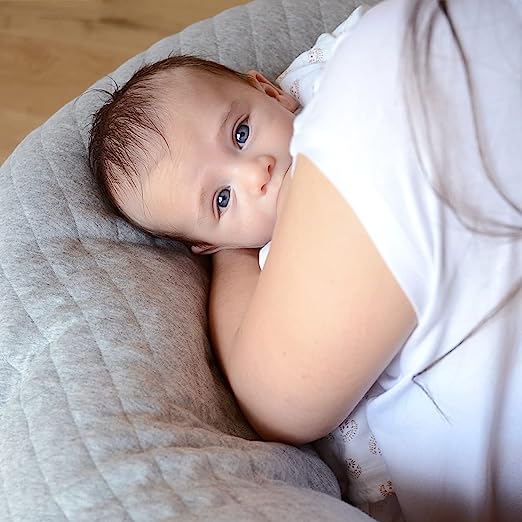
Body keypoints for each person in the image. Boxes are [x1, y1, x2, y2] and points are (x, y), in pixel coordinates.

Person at [89, 0, 522, 520]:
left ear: (268, 91)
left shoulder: (327, 86)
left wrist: (230, 251)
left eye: (241, 134)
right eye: (222, 201)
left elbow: (274, 400)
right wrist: (237, 258)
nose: (255, 174)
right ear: (203, 244)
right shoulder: (264, 260)